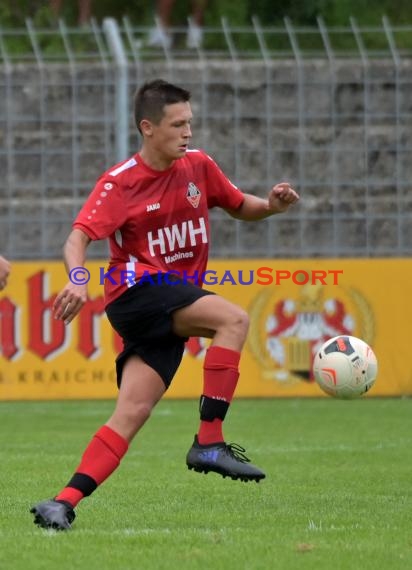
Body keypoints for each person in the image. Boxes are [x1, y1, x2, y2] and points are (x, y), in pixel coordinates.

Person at [30, 79, 299, 531]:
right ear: (148, 127)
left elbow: (238, 205)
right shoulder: (120, 183)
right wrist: (78, 279)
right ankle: (209, 441)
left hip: (165, 305)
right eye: (178, 124)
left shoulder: (198, 167)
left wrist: (270, 206)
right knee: (233, 320)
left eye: (190, 123)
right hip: (135, 292)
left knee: (132, 412)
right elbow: (78, 237)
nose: (188, 132)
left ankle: (62, 501)